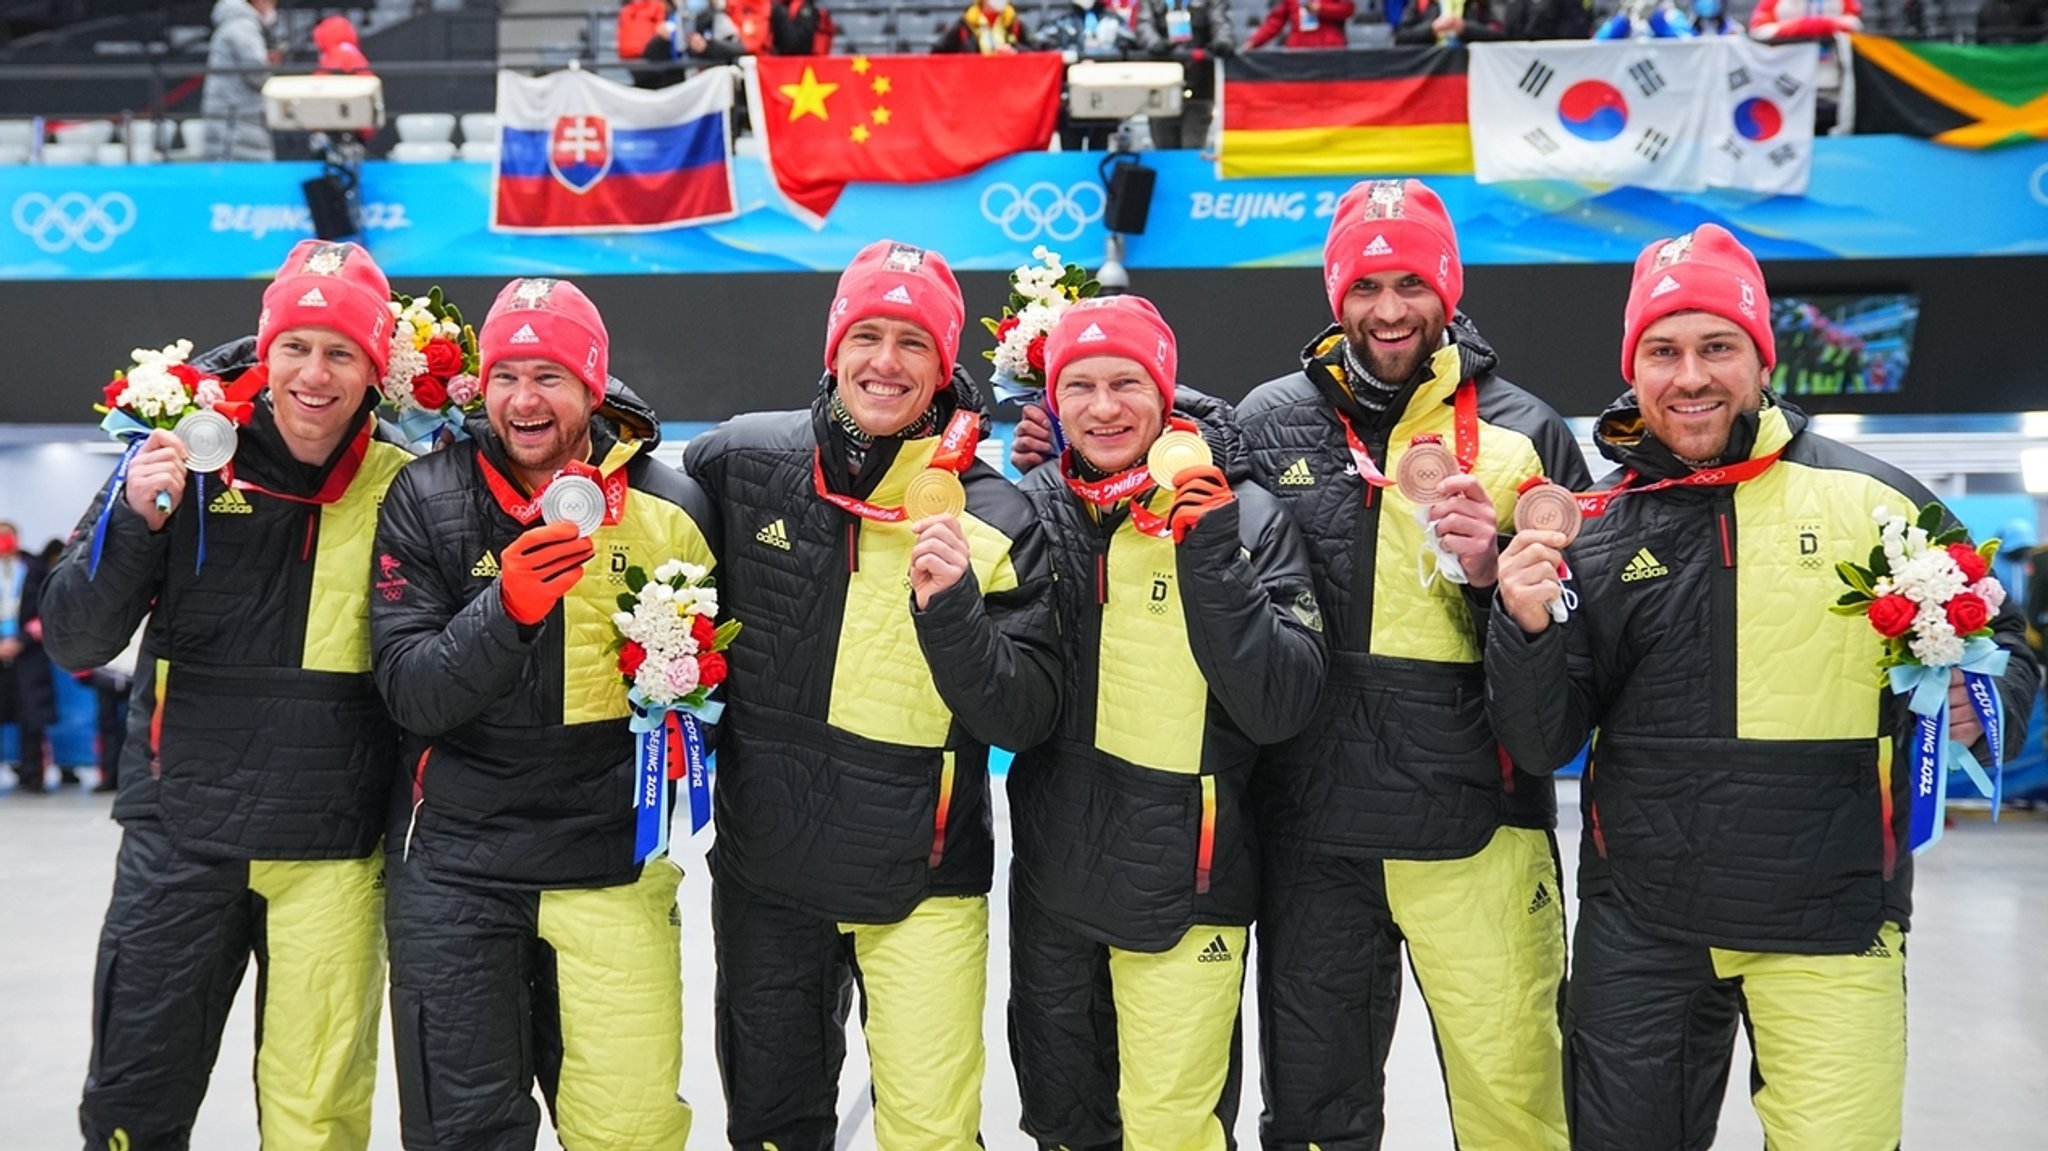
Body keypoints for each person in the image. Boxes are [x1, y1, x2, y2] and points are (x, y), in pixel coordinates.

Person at [1011, 179, 1589, 1150]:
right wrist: (1062, 425)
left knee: (1517, 1107)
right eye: (1365, 284)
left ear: (1448, 286)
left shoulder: (1525, 433)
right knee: (1315, 1118)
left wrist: (1497, 577)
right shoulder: (1274, 417)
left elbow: (1570, 638)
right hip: (1311, 837)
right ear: (1334, 294)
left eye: (1412, 281)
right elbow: (1179, 431)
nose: (1389, 307)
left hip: (1477, 829)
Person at [1486, 223, 2040, 1151]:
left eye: (1717, 347)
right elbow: (1544, 740)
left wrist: (1979, 712)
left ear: (1761, 358)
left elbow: (2005, 644)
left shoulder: (1879, 502)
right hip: (1645, 931)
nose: (1690, 376)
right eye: (1663, 351)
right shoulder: (1593, 524)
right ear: (1635, 368)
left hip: (1833, 916)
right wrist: (1527, 625)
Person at [682, 239, 1059, 1151]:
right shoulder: (741, 459)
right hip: (769, 875)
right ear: (833, 348)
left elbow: (1024, 716)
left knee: (930, 1133)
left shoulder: (994, 512)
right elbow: (638, 505)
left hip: (923, 880)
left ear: (944, 365)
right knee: (772, 1129)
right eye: (868, 335)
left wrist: (956, 609)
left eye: (913, 343)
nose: (885, 362)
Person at [40, 239, 409, 1150]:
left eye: (340, 353)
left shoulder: (406, 485)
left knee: (316, 1119)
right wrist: (132, 519)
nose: (313, 374)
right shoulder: (174, 461)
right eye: (295, 347)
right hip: (182, 837)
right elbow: (77, 637)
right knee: (135, 1096)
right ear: (263, 348)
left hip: (331, 849)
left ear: (374, 370)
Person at [369, 277, 714, 1151]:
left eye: (551, 375)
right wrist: (508, 608)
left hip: (609, 863)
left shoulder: (668, 507)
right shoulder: (426, 495)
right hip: (458, 870)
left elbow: (722, 693)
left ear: (593, 386)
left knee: (629, 1129)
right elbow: (412, 691)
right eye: (507, 373)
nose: (525, 399)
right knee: (464, 1131)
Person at [1008, 296, 1327, 1151]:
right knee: (1066, 1124)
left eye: (1126, 382)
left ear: (1166, 392)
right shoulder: (1030, 505)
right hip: (1055, 884)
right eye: (1080, 384)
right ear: (1051, 398)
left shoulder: (1248, 514)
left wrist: (1212, 559)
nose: (1104, 406)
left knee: (1172, 1130)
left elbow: (1281, 705)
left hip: (1191, 882)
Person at [1133, 0, 1235, 151]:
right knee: (1163, 150)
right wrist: (1153, 42)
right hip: (1161, 87)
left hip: (1199, 85)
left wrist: (1223, 40)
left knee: (1192, 147)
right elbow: (1143, 24)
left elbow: (1221, 22)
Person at [1041, 0, 1142, 150]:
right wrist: (1073, 58)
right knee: (1070, 151)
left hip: (1104, 95)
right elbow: (1041, 45)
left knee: (1100, 146)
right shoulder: (1060, 20)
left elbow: (1129, 43)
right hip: (1070, 96)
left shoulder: (1112, 19)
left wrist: (1101, 60)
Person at [0, 520, 55, 793]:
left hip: (28, 653)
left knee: (31, 717)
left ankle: (33, 775)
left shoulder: (34, 569)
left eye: (6, 537)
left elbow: (47, 610)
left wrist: (21, 640)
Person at [201, 0, 278, 161]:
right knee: (250, 177)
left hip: (229, 114)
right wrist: (270, 67)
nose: (274, 8)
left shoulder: (232, 24)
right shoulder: (243, 27)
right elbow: (255, 72)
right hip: (238, 118)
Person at [1244, 0, 1355, 50]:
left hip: (1329, 50)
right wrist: (1254, 41)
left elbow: (1348, 9)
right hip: (1298, 51)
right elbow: (1275, 21)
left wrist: (1321, 9)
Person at [934, 0, 1034, 52]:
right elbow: (938, 52)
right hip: (974, 83)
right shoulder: (965, 23)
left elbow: (1037, 51)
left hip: (1008, 83)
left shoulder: (1014, 22)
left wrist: (1015, 51)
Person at [772, 0, 839, 54]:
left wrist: (779, 14)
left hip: (802, 64)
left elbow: (797, 47)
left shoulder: (807, 9)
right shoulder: (782, 6)